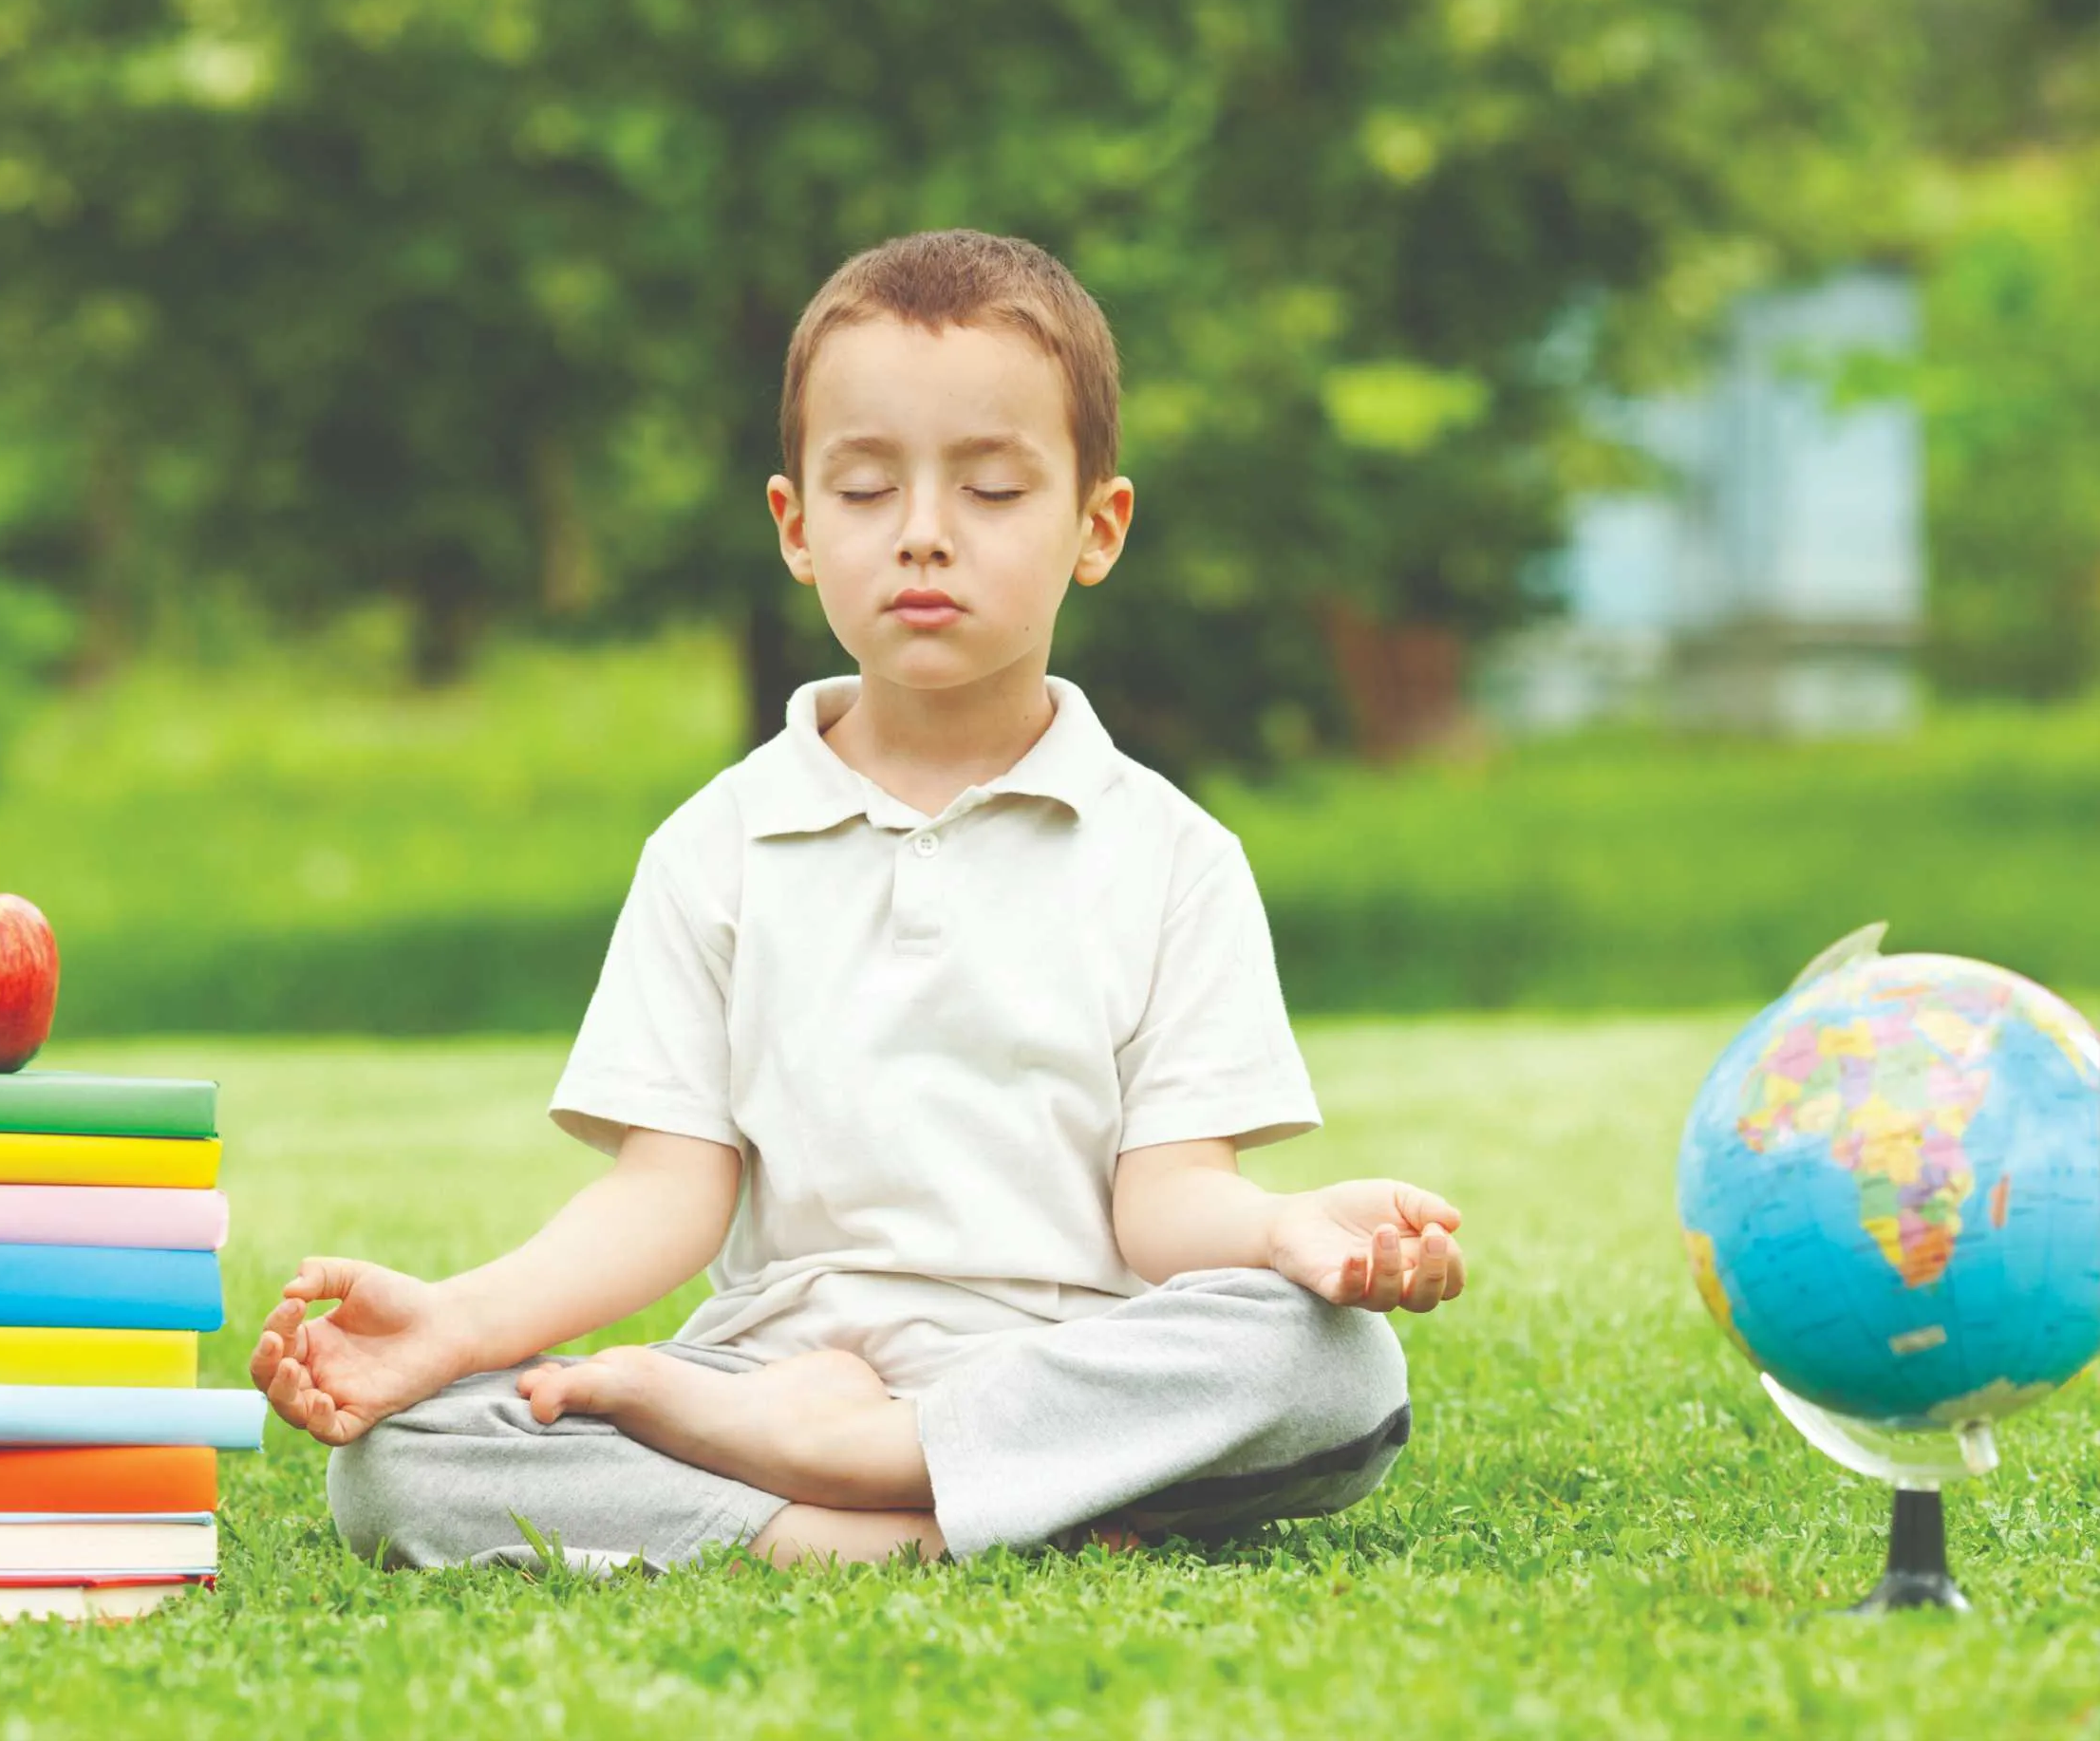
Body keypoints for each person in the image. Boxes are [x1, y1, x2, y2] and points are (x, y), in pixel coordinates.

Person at [252, 229, 1468, 1573]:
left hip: (1062, 1374)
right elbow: (662, 1200)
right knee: (398, 1466)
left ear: (1095, 527)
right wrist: (456, 1323)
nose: (924, 534)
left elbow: (1167, 1205)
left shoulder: (1173, 856)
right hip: (772, 1372)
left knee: (1330, 1365)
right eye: (867, 488)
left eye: (994, 489)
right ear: (794, 526)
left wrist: (1283, 1232)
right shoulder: (714, 848)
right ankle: (898, 1521)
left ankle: (860, 1488)